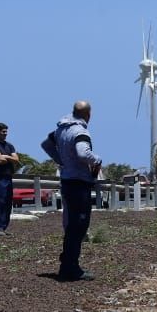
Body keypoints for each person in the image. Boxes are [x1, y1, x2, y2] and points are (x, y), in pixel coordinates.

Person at [42, 100, 102, 282]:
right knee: (79, 226)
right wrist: (97, 159)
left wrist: (61, 160)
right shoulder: (81, 132)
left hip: (67, 180)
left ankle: (67, 262)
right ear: (88, 114)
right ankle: (71, 267)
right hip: (79, 182)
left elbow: (46, 144)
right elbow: (83, 153)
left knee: (71, 225)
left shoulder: (61, 129)